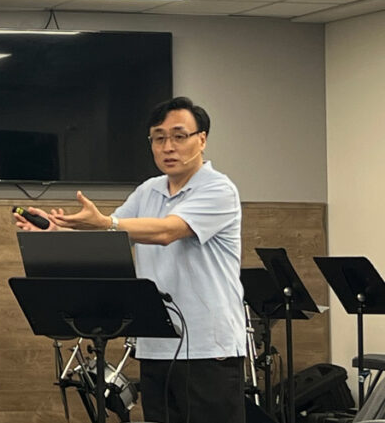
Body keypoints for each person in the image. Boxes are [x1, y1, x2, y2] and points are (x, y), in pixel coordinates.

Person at [14, 96, 245, 423]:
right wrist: (56, 231)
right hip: (155, 345)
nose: (168, 147)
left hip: (210, 349)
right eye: (159, 138)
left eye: (179, 136)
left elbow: (167, 231)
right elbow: (111, 237)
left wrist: (106, 222)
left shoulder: (219, 189)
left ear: (202, 139)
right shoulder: (148, 190)